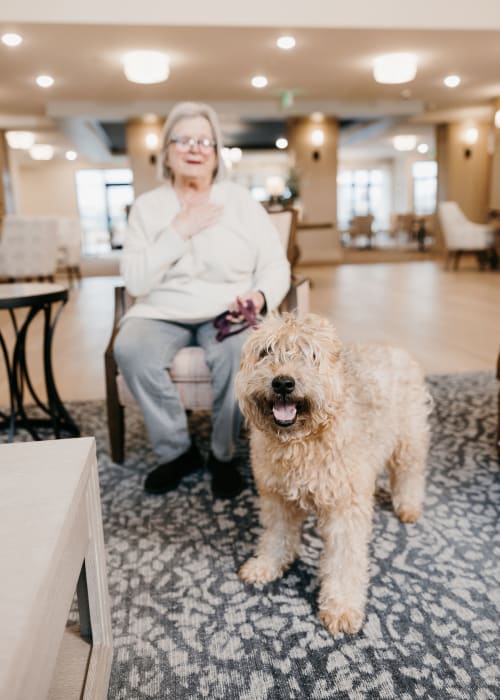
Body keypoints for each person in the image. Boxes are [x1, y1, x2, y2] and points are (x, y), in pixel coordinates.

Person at [114, 102, 291, 498]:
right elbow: (136, 279)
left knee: (242, 354)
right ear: (167, 151)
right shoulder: (148, 207)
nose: (195, 148)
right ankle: (177, 451)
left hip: (227, 310)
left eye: (204, 141)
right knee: (131, 348)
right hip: (161, 308)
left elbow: (276, 265)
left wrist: (260, 296)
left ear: (216, 151)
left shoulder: (240, 202)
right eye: (184, 139)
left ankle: (222, 454)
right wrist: (178, 230)